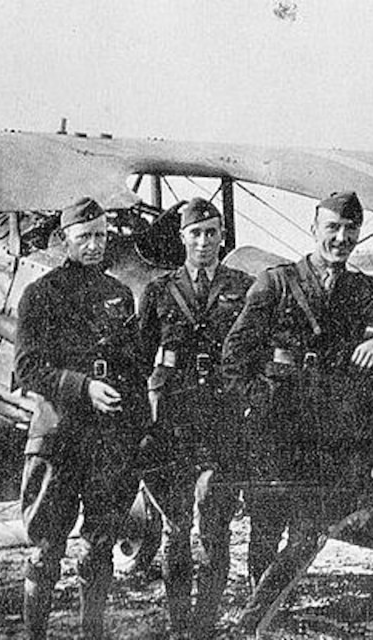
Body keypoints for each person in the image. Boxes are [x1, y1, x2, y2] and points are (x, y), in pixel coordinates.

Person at [221, 191, 373, 632]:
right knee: (265, 526)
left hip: (329, 430)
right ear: (314, 228)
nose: (341, 239)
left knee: (310, 531)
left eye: (350, 230)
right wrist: (257, 404)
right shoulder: (276, 282)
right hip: (276, 424)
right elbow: (235, 354)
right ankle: (260, 613)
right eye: (332, 228)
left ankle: (251, 621)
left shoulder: (362, 290)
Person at [15, 197, 147, 640]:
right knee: (46, 548)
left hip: (108, 441)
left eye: (101, 237)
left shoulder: (118, 295)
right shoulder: (40, 294)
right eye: (85, 237)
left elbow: (131, 368)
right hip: (60, 435)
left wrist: (137, 431)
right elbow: (28, 369)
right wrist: (83, 388)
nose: (94, 246)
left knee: (98, 547)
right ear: (65, 239)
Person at [135, 198, 253, 638]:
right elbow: (138, 357)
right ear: (182, 237)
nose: (203, 242)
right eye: (195, 233)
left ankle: (205, 625)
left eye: (211, 233)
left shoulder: (243, 287)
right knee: (176, 526)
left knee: (217, 528)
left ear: (222, 237)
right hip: (174, 419)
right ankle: (179, 625)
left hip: (223, 420)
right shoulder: (159, 290)